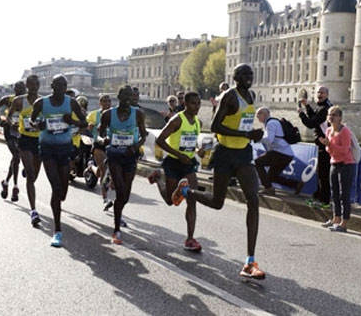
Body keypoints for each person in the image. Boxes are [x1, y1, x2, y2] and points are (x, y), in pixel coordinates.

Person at [172, 64, 266, 280]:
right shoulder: (228, 97)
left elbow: (245, 124)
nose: (249, 77)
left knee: (253, 200)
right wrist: (247, 133)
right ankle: (187, 192)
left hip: (243, 154)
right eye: (244, 74)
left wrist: (253, 135)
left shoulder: (250, 95)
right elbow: (215, 126)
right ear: (235, 78)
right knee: (217, 202)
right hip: (225, 153)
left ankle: (250, 262)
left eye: (251, 74)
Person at [31, 74, 87, 247]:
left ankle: (59, 198)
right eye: (58, 84)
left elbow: (84, 123)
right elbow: (32, 120)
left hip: (65, 149)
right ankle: (57, 231)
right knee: (55, 187)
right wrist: (38, 124)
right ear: (52, 86)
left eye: (64, 84)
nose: (61, 87)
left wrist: (73, 121)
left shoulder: (71, 103)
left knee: (62, 191)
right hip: (47, 149)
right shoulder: (41, 103)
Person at [148, 92, 205, 251]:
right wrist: (179, 155)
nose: (197, 106)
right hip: (173, 162)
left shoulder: (197, 122)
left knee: (192, 199)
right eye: (193, 103)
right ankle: (158, 179)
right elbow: (160, 140)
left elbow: (189, 142)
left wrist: (198, 150)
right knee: (170, 201)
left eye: (199, 103)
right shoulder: (177, 120)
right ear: (185, 104)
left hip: (188, 164)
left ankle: (190, 239)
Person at [98, 85, 147, 245]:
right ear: (118, 97)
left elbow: (143, 135)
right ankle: (116, 229)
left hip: (130, 156)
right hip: (114, 156)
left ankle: (117, 211)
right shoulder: (107, 114)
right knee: (120, 190)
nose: (128, 98)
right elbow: (101, 133)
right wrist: (104, 139)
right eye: (124, 96)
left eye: (130, 96)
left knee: (125, 195)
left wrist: (135, 145)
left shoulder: (138, 114)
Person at [7, 75, 42, 227]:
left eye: (35, 84)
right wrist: (13, 123)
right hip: (25, 139)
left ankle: (27, 173)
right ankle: (33, 210)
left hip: (40, 141)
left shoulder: (43, 102)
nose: (33, 87)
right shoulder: (19, 101)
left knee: (34, 176)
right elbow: (8, 116)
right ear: (27, 85)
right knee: (31, 173)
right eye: (30, 84)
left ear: (39, 85)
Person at [319, 106, 356, 233]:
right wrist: (327, 146)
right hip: (334, 163)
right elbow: (329, 151)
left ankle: (344, 222)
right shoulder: (328, 130)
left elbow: (345, 150)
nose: (331, 117)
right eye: (329, 114)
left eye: (334, 115)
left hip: (346, 164)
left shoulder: (344, 131)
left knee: (343, 194)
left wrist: (330, 145)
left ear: (340, 117)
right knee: (334, 193)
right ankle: (336, 218)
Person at [254, 107, 304, 196]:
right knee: (271, 177)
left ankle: (269, 189)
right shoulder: (271, 122)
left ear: (265, 114)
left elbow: (269, 140)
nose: (257, 117)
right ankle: (296, 184)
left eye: (258, 115)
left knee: (258, 162)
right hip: (286, 154)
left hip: (281, 153)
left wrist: (257, 139)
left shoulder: (271, 123)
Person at [298, 87, 332, 209]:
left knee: (323, 174)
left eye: (322, 93)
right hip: (323, 144)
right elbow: (315, 118)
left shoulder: (324, 109)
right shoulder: (323, 107)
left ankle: (324, 200)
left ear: (327, 94)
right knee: (321, 173)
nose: (319, 94)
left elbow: (311, 123)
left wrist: (301, 114)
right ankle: (319, 197)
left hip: (326, 145)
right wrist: (307, 106)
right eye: (318, 92)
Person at [0, 81, 27, 202]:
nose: (20, 92)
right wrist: (0, 120)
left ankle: (6, 182)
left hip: (22, 132)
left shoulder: (28, 101)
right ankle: (16, 187)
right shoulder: (8, 99)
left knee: (15, 160)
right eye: (18, 89)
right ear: (14, 90)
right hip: (10, 132)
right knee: (17, 157)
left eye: (23, 89)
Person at [87, 94, 113, 210]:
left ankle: (91, 167)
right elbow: (86, 125)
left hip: (112, 145)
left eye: (109, 101)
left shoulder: (114, 114)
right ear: (100, 103)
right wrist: (90, 126)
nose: (107, 103)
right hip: (99, 144)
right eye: (104, 101)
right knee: (104, 169)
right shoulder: (94, 114)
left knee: (102, 171)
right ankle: (105, 198)